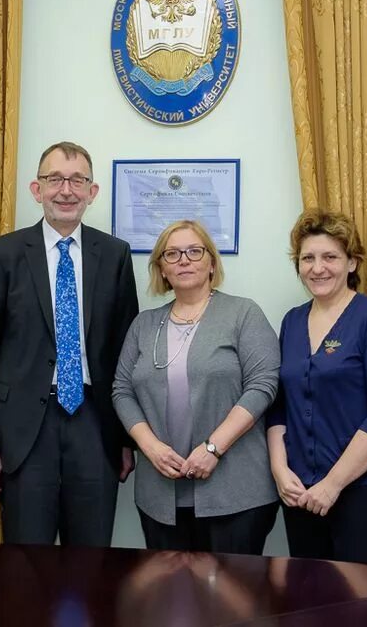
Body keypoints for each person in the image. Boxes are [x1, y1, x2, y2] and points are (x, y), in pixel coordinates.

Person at [0, 141, 139, 545]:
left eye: (77, 179)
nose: (66, 189)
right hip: (24, 429)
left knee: (92, 558)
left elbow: (126, 352)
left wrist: (127, 439)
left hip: (95, 425)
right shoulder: (4, 254)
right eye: (55, 179)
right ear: (36, 188)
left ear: (92, 192)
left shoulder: (114, 255)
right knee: (26, 563)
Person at [113, 220, 280, 553]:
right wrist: (150, 447)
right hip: (160, 495)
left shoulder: (243, 313)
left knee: (235, 602)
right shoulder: (144, 325)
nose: (184, 260)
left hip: (236, 493)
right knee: (171, 601)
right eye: (172, 254)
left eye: (194, 251)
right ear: (161, 268)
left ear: (211, 263)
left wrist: (213, 448)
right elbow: (121, 390)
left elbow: (263, 385)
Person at [266, 209, 367, 565]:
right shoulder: (292, 321)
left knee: (363, 605)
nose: (317, 267)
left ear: (352, 263)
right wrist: (281, 472)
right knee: (310, 600)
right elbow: (279, 407)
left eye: (330, 257)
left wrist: (333, 484)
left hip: (361, 491)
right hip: (300, 492)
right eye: (307, 258)